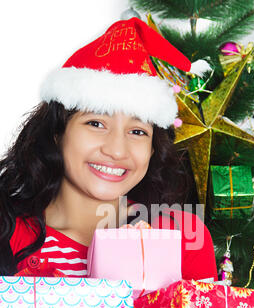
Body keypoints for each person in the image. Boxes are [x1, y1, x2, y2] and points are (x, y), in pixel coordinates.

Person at [0, 17, 217, 281]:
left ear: (152, 149)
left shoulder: (183, 237)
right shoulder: (7, 230)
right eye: (96, 123)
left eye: (137, 132)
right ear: (57, 133)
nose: (116, 150)